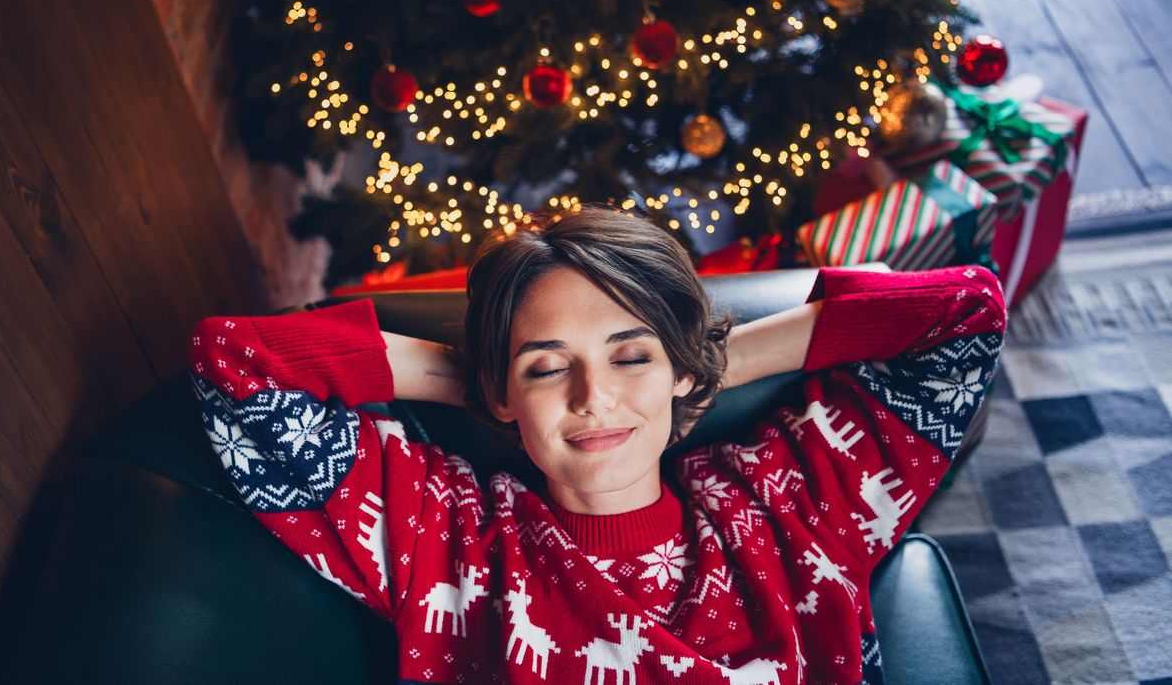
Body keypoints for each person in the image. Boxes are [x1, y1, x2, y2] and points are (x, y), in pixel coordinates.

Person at [189, 206, 1006, 683]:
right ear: (502, 393)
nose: (593, 400)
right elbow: (237, 364)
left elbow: (964, 309)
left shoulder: (789, 498)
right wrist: (483, 378)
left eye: (629, 355)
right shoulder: (448, 536)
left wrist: (706, 363)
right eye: (551, 371)